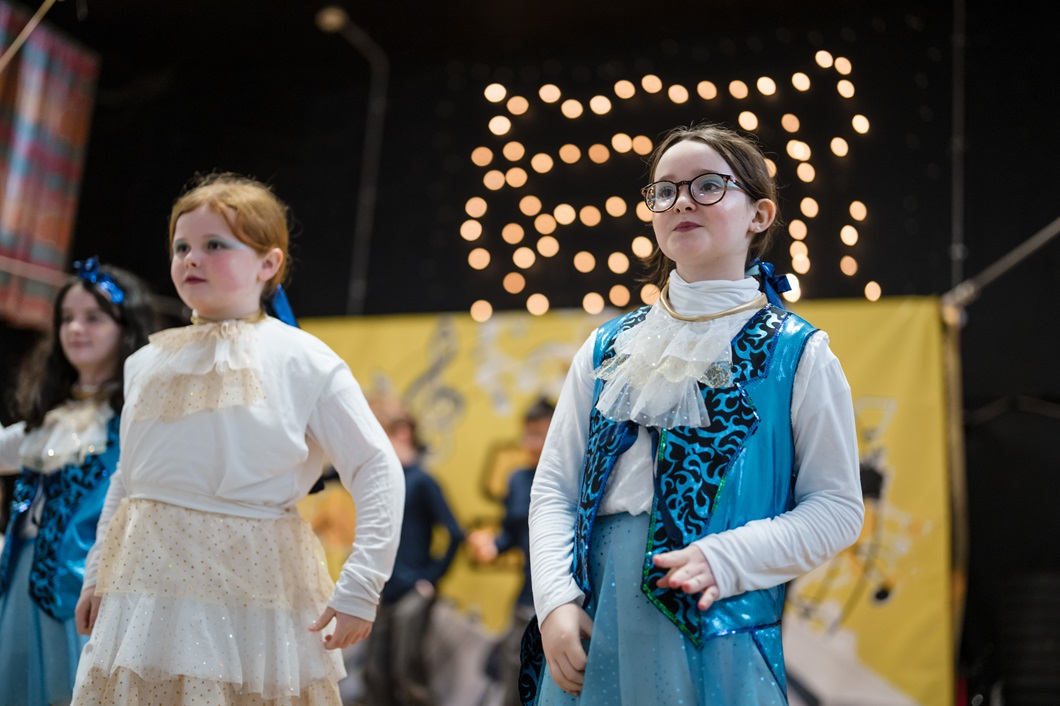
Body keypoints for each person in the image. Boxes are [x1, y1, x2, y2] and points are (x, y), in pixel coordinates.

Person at [521, 123, 865, 705]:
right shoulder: (606, 347)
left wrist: (726, 558)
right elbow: (555, 487)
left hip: (716, 626)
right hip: (591, 614)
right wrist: (555, 599)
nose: (681, 201)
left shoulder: (798, 353)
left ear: (759, 214)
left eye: (707, 185)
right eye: (665, 191)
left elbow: (836, 509)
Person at [70, 173, 405, 704]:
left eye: (214, 245)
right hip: (144, 586)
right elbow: (129, 480)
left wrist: (363, 584)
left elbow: (376, 466)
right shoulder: (146, 362)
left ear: (268, 264)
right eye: (181, 247)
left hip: (253, 592)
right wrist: (96, 574)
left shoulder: (304, 359)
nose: (191, 259)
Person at [0, 258, 159, 705]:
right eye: (67, 318)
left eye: (93, 318)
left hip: (93, 588)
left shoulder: (138, 419)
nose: (75, 329)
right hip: (23, 579)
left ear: (126, 328)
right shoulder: (48, 422)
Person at [362, 395, 464, 706]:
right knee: (374, 671)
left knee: (406, 672)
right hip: (385, 589)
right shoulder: (382, 481)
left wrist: (430, 579)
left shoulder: (422, 481)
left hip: (412, 592)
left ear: (403, 433)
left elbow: (455, 534)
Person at [468, 398, 554, 706]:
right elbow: (511, 534)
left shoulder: (569, 476)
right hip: (526, 593)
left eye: (539, 434)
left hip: (561, 592)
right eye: (528, 434)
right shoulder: (518, 478)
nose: (531, 443)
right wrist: (492, 545)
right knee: (514, 668)